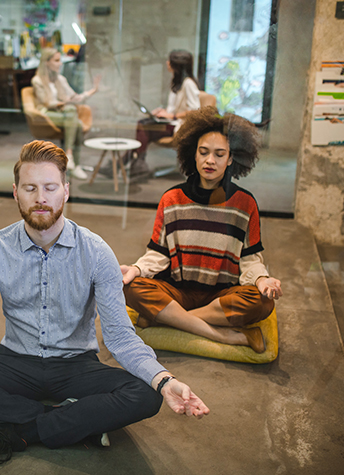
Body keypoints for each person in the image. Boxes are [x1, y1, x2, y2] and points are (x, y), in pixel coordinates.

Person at [0, 140, 209, 464]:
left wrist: (165, 380)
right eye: (30, 188)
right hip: (15, 362)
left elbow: (121, 336)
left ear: (65, 190)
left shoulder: (96, 252)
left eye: (50, 187)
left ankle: (18, 430)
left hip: (76, 365)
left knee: (147, 394)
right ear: (15, 192)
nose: (41, 199)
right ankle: (74, 419)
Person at [121, 107, 282, 353]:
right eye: (203, 152)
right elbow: (159, 253)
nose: (210, 161)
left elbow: (250, 259)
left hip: (221, 295)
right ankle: (227, 336)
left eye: (219, 154)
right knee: (130, 287)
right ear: (193, 154)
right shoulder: (172, 199)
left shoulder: (245, 204)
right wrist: (136, 268)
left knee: (261, 303)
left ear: (231, 159)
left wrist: (262, 280)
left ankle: (171, 319)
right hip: (178, 290)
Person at [118, 50, 201, 178]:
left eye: (170, 61)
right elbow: (173, 108)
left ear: (176, 64)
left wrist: (172, 116)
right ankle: (134, 163)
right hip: (171, 121)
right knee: (143, 129)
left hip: (180, 126)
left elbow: (196, 111)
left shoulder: (189, 84)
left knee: (143, 128)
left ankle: (125, 164)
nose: (167, 63)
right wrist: (162, 112)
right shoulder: (177, 82)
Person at [32, 48, 100, 180]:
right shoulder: (37, 81)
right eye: (56, 60)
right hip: (46, 115)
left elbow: (75, 97)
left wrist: (93, 90)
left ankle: (71, 159)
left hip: (64, 115)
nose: (60, 63)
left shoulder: (60, 79)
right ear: (46, 62)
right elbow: (47, 103)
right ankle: (74, 162)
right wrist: (64, 103)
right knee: (72, 113)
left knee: (75, 120)